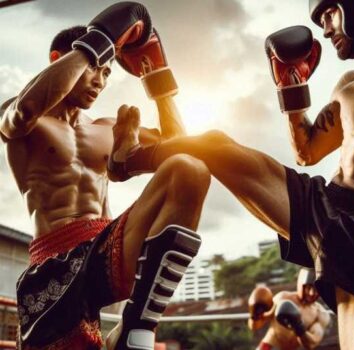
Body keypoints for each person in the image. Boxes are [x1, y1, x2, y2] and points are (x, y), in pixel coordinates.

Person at [109, 0, 354, 348]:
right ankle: (130, 158)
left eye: (329, 13)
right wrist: (291, 87)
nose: (325, 29)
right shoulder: (349, 86)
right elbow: (307, 151)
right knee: (215, 144)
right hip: (322, 202)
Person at [0, 3, 211, 350]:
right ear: (59, 59)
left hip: (107, 249)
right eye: (93, 67)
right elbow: (22, 112)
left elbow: (180, 148)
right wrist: (99, 39)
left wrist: (156, 76)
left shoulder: (108, 128)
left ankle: (136, 325)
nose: (100, 79)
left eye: (108, 72)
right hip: (54, 264)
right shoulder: (26, 116)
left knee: (188, 169)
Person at [248, 268, 330, 350]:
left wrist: (299, 327)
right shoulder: (282, 298)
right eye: (309, 287)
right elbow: (254, 327)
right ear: (301, 285)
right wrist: (254, 315)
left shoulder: (320, 314)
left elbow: (311, 344)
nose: (312, 293)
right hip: (269, 347)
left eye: (317, 290)